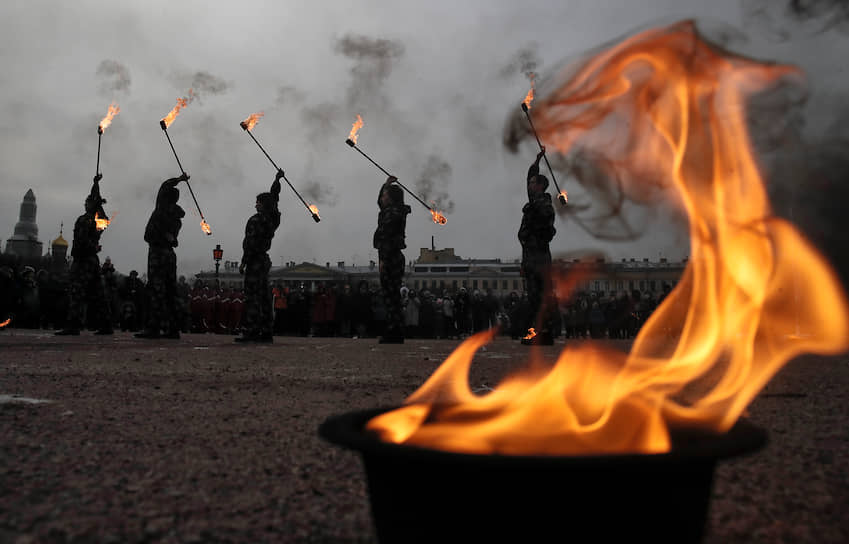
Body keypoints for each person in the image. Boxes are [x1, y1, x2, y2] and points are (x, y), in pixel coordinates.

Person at [56, 175, 113, 336]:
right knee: (99, 294)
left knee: (77, 292)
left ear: (89, 205)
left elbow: (81, 241)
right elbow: (100, 211)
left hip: (82, 260)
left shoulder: (83, 220)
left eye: (87, 202)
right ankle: (106, 324)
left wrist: (95, 187)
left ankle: (73, 325)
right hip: (93, 261)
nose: (85, 204)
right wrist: (96, 187)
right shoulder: (100, 221)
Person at [135, 173, 188, 339]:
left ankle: (153, 327)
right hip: (170, 254)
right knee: (170, 291)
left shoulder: (161, 208)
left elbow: (164, 185)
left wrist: (178, 180)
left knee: (155, 290)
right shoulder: (177, 217)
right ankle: (172, 328)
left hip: (157, 252)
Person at [235, 170, 282, 342]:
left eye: (257, 202)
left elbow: (250, 244)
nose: (255, 205)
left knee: (252, 296)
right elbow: (274, 199)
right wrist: (277, 181)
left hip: (254, 261)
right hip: (264, 261)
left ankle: (252, 330)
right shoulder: (272, 219)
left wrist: (243, 262)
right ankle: (266, 330)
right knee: (264, 296)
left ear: (262, 205)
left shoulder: (256, 220)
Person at [518, 147, 556, 345]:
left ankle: (542, 332)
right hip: (531, 256)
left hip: (538, 258)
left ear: (540, 186)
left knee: (538, 297)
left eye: (533, 183)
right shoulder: (536, 202)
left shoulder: (544, 205)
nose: (530, 185)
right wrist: (536, 161)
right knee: (534, 297)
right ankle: (540, 332)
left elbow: (545, 232)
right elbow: (529, 178)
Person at [373, 176, 411, 344]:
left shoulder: (393, 213)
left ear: (392, 197)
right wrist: (385, 185)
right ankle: (395, 330)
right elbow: (380, 203)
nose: (383, 197)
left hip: (391, 256)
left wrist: (383, 259)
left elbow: (386, 237)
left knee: (391, 297)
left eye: (385, 194)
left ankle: (394, 331)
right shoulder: (392, 210)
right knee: (391, 296)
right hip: (392, 256)